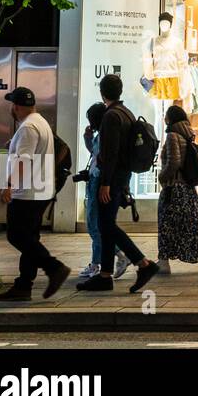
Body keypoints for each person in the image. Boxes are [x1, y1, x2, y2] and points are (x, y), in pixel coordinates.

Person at [76, 73, 160, 294]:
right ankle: (105, 276)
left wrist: (105, 183)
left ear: (102, 93)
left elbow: (110, 153)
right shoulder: (126, 113)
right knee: (106, 225)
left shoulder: (111, 116)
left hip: (112, 179)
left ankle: (143, 263)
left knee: (107, 225)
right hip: (121, 176)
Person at [0, 88, 70, 302]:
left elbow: (24, 160)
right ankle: (24, 286)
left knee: (16, 235)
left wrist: (9, 184)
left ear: (16, 107)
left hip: (27, 192)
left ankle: (54, 267)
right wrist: (14, 146)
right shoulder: (40, 122)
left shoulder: (27, 127)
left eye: (12, 106)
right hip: (40, 190)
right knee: (29, 237)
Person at [155, 104, 198, 275]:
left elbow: (174, 162)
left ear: (169, 119)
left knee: (166, 224)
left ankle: (164, 261)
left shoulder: (172, 136)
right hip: (187, 189)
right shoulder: (187, 134)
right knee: (194, 223)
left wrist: (162, 177)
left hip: (173, 188)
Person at [75, 103, 130, 281]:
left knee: (95, 226)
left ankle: (117, 256)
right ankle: (99, 262)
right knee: (100, 225)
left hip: (98, 181)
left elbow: (101, 158)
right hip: (99, 181)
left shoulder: (103, 136)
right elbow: (97, 153)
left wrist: (103, 184)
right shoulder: (101, 136)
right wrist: (88, 137)